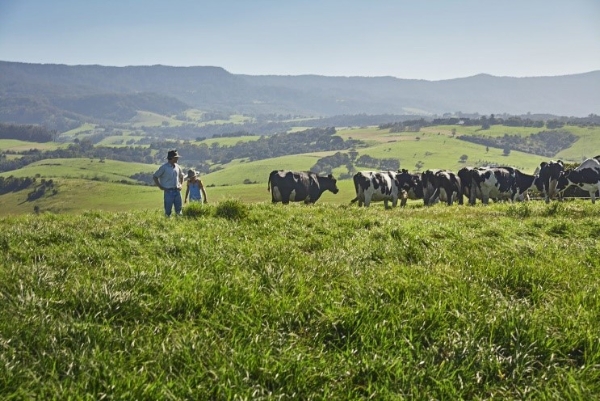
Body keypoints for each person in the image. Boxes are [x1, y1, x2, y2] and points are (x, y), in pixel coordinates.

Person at [153, 149, 185, 217]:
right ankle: (167, 224)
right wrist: (160, 186)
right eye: (176, 157)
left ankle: (178, 224)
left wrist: (181, 185)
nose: (177, 158)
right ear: (172, 158)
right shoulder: (164, 167)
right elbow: (155, 176)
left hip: (177, 190)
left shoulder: (178, 167)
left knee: (179, 211)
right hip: (168, 191)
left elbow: (182, 176)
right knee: (168, 212)